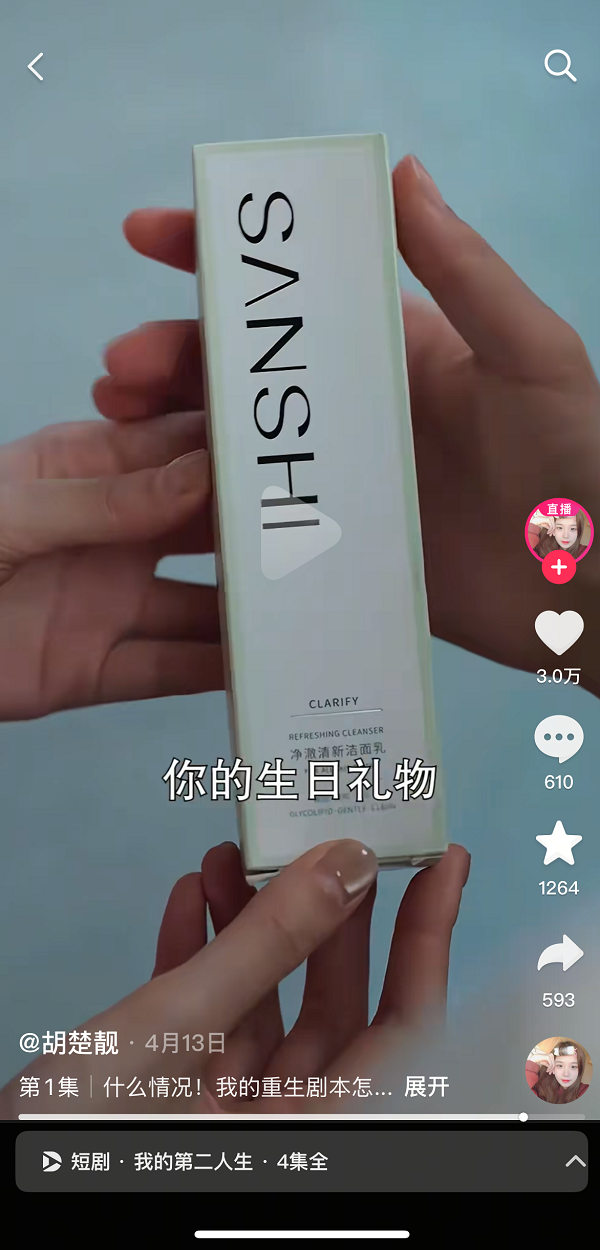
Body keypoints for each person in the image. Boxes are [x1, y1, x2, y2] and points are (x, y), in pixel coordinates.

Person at [526, 1040, 589, 1104]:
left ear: (580, 1070)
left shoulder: (585, 1090)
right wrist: (533, 1062)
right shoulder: (540, 1086)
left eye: (573, 1066)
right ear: (552, 1066)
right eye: (560, 1065)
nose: (566, 1074)